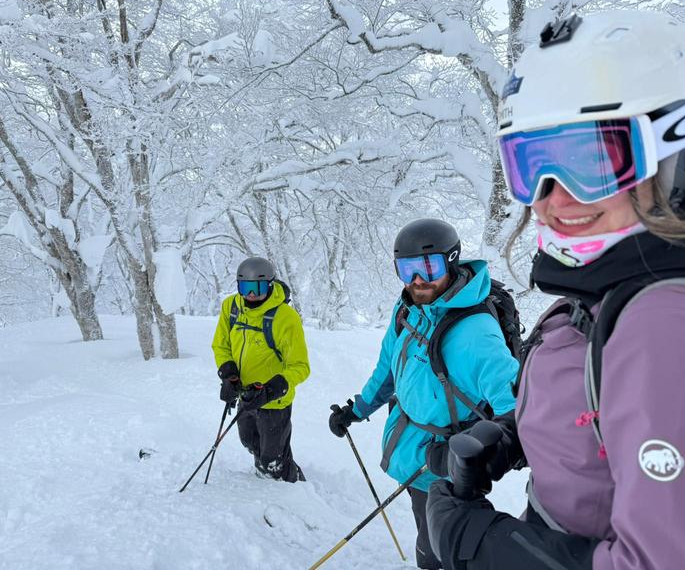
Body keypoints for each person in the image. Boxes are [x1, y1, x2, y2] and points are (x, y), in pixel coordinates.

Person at [426, 10, 685, 569]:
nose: (553, 197)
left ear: (677, 143)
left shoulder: (670, 325)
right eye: (531, 164)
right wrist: (522, 434)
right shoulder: (627, 274)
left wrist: (485, 546)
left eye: (592, 160)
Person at [328, 219, 519, 569]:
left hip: (451, 472)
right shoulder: (407, 312)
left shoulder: (475, 334)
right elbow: (388, 370)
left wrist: (461, 456)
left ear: (452, 261)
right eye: (407, 269)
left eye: (428, 267)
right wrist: (356, 410)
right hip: (416, 458)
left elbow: (520, 414)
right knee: (429, 546)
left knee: (444, 557)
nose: (417, 280)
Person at [211, 256, 310, 483]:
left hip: (274, 401)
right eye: (246, 287)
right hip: (245, 395)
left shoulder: (285, 317)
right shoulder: (231, 307)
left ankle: (290, 487)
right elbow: (221, 344)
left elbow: (300, 366)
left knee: (271, 458)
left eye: (258, 287)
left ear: (270, 285)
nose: (252, 294)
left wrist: (273, 388)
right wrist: (228, 374)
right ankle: (268, 473)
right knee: (249, 441)